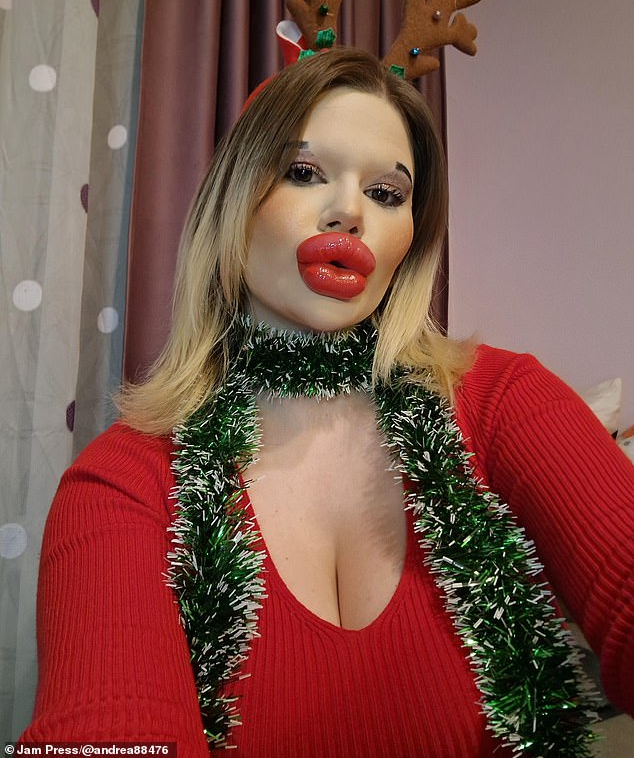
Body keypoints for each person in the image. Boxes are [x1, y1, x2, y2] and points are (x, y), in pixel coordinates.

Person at [22, 48, 634, 757]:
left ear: (412, 237)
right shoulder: (123, 480)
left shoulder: (502, 400)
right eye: (304, 172)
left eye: (387, 193)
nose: (349, 211)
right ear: (234, 204)